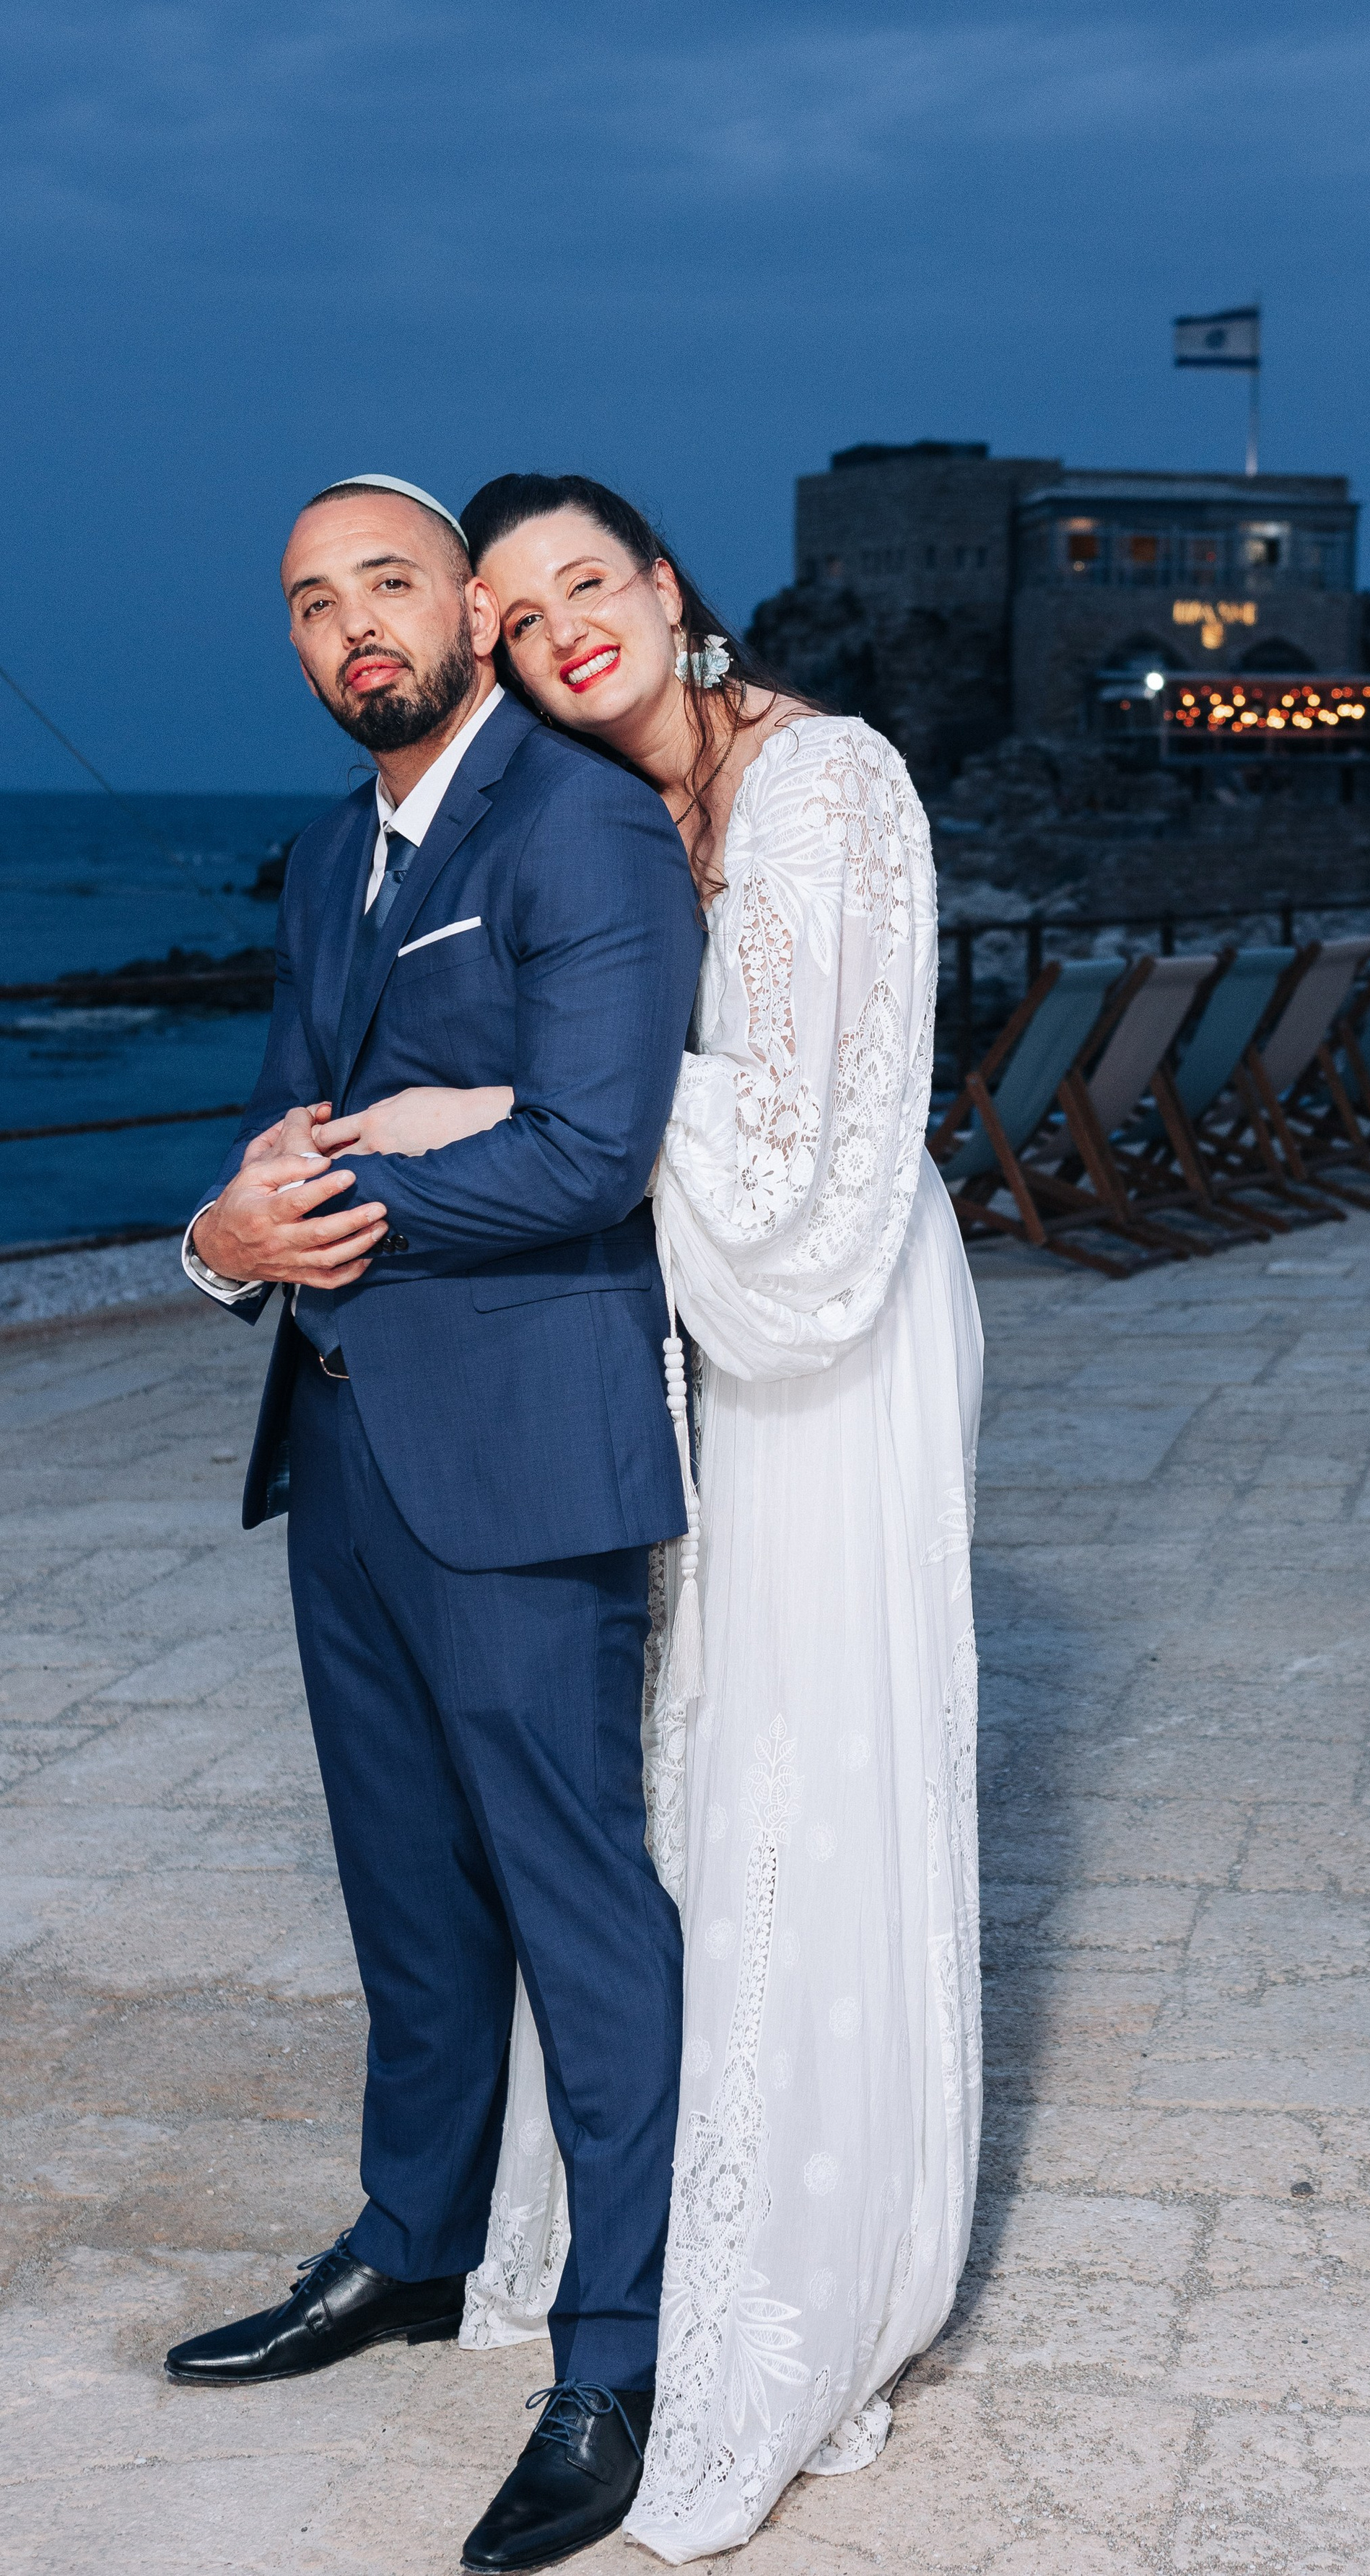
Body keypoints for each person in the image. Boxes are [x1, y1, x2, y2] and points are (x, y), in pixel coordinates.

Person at [303, 472, 985, 2562]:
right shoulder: (614, 820)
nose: (555, 628)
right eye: (512, 613)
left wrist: (503, 1113)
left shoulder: (824, 781)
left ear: (668, 588)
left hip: (832, 1322)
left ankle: (785, 2250)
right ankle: (651, 2219)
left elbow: (789, 1144)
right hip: (686, 1330)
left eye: (587, 581)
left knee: (796, 1775)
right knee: (684, 1780)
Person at [162, 474, 707, 2576]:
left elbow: (592, 1151)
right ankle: (409, 2244)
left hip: (522, 1452)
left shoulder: (578, 826)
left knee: (579, 1902)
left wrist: (324, 1210)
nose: (350, 627)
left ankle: (616, 2351)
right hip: (345, 1443)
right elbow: (291, 1135)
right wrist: (228, 1241)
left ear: (470, 617)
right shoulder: (324, 854)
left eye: (387, 582)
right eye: (311, 603)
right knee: (406, 1889)